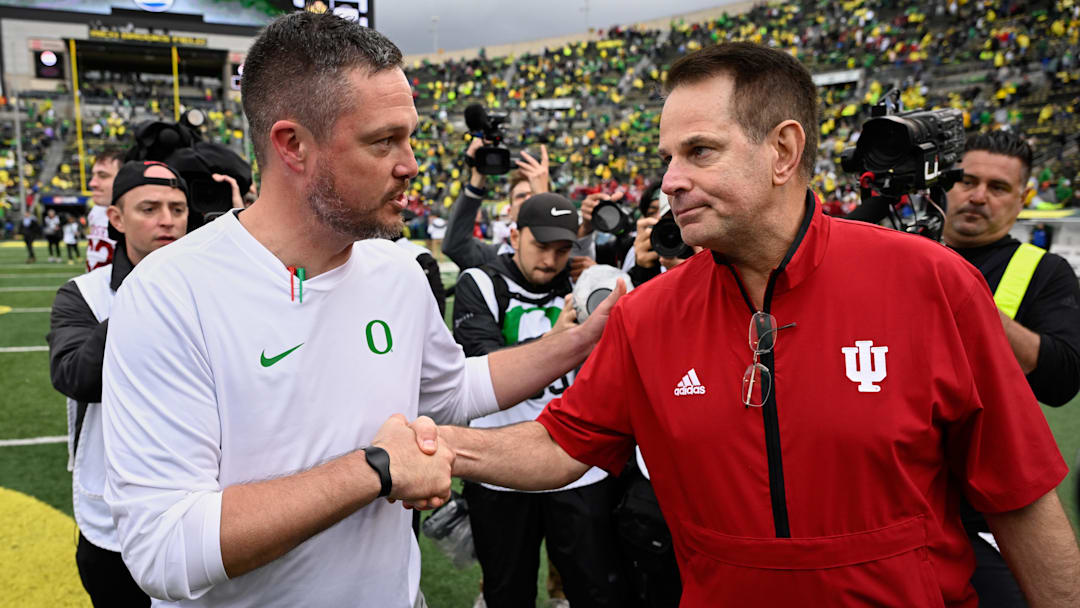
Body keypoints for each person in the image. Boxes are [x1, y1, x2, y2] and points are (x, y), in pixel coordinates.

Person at [433, 43, 1080, 607]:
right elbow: (559, 444)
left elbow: (1019, 498)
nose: (671, 181)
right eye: (669, 157)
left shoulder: (931, 284)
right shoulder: (646, 315)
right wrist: (439, 447)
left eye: (700, 152)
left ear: (784, 150)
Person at [100, 13, 617, 607]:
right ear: (293, 145)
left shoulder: (396, 269)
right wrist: (373, 469)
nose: (411, 164)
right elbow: (162, 549)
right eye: (383, 141)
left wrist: (578, 340)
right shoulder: (171, 291)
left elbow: (451, 391)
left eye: (411, 137)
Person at [453, 193, 626, 608]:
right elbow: (479, 367)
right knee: (506, 589)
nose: (551, 260)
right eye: (541, 247)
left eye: (562, 250)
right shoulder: (481, 282)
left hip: (579, 467)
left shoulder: (585, 284)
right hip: (500, 467)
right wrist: (553, 344)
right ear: (514, 235)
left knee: (592, 587)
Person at [941, 130, 1080, 608]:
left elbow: (1062, 377)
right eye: (967, 180)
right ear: (945, 184)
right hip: (892, 492)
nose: (978, 196)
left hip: (983, 509)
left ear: (1022, 200)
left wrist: (971, 303)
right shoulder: (895, 251)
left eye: (998, 188)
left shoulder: (1044, 271)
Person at [47, 160, 190, 607]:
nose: (167, 220)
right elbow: (75, 377)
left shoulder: (214, 289)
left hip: (199, 504)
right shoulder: (84, 294)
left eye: (178, 208)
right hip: (112, 513)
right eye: (149, 208)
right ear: (116, 218)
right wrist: (141, 294)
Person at [85, 148, 124, 271]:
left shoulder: (137, 216)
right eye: (93, 175)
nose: (92, 183)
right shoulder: (96, 210)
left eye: (102, 176)